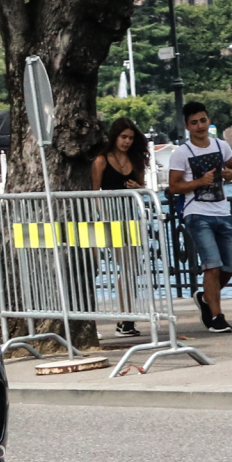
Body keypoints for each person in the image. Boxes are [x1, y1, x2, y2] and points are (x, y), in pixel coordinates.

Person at [168, 101, 232, 333]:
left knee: (229, 266)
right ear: (187, 126)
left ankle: (205, 298)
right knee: (212, 265)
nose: (200, 126)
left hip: (222, 211)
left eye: (203, 120)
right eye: (194, 122)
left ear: (208, 120)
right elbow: (173, 186)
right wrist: (200, 182)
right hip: (196, 213)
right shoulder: (182, 153)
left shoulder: (221, 146)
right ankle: (217, 317)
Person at [92, 117, 150, 338]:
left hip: (129, 218)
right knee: (105, 266)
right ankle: (110, 318)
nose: (126, 142)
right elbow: (94, 192)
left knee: (131, 267)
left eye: (131, 138)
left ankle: (126, 317)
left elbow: (143, 187)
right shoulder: (102, 160)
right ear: (114, 137)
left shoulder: (135, 160)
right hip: (107, 219)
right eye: (123, 137)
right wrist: (103, 216)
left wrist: (138, 187)